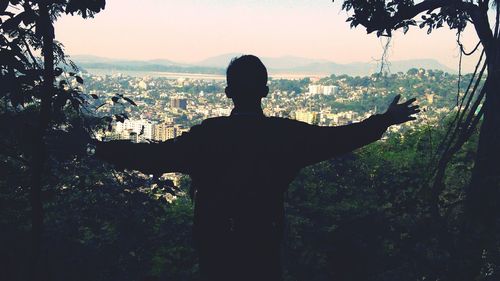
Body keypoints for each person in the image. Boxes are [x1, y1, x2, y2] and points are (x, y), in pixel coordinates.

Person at [93, 55, 419, 281]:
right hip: (262, 242)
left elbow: (154, 158)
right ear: (265, 92)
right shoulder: (285, 136)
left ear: (228, 93)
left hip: (215, 245)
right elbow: (341, 139)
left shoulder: (209, 135)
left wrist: (100, 148)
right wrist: (384, 121)